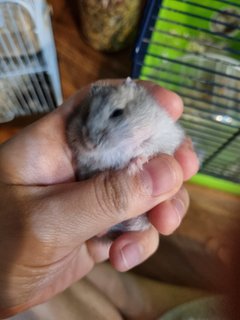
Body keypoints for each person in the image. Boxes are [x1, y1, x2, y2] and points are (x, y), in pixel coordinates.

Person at [0, 80, 199, 318]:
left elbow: (168, 140)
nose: (92, 138)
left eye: (116, 114)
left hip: (103, 232)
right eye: (86, 117)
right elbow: (83, 146)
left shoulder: (151, 118)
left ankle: (123, 288)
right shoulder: (80, 134)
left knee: (147, 216)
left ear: (139, 99)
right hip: (94, 226)